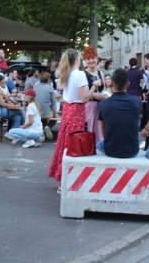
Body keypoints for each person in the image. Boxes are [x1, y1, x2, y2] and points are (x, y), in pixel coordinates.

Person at [48, 49, 101, 193]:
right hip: (77, 111)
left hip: (68, 110)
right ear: (78, 58)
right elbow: (84, 98)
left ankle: (61, 178)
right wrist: (95, 85)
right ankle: (64, 182)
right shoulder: (80, 74)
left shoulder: (67, 74)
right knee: (73, 145)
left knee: (65, 144)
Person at [96, 69, 141, 158]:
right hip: (132, 150)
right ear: (128, 84)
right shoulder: (137, 101)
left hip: (111, 150)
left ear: (112, 83)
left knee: (98, 144)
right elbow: (137, 122)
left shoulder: (103, 104)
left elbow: (104, 134)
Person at [83, 46, 108, 144]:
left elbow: (104, 90)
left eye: (93, 58)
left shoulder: (100, 73)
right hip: (88, 106)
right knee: (89, 132)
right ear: (85, 60)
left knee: (100, 133)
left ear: (97, 58)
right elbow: (83, 93)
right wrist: (94, 95)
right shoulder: (83, 74)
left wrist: (104, 96)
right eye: (88, 59)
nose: (91, 61)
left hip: (100, 106)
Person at [33, 72, 58, 139]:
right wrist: (56, 114)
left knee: (42, 114)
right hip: (46, 113)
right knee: (54, 116)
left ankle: (42, 130)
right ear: (48, 80)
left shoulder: (35, 86)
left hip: (36, 112)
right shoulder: (50, 88)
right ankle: (48, 127)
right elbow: (54, 104)